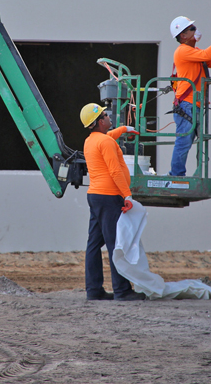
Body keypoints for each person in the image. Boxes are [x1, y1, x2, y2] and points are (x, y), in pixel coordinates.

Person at [80, 103, 146, 301]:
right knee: (114, 243)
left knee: (94, 244)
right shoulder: (106, 143)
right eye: (106, 115)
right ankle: (122, 291)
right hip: (109, 197)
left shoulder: (91, 141)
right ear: (100, 122)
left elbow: (108, 138)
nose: (109, 117)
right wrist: (127, 195)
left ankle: (94, 290)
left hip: (95, 196)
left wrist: (125, 129)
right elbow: (115, 171)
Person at [168, 16, 211, 176]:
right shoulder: (183, 51)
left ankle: (177, 174)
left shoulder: (193, 52)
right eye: (191, 28)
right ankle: (176, 175)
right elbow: (207, 55)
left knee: (186, 142)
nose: (196, 30)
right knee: (183, 142)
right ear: (183, 36)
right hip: (187, 105)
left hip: (192, 105)